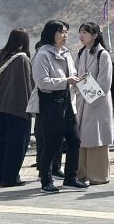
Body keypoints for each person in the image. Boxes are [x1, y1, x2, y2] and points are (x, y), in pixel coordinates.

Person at [28, 21, 85, 193]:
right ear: (51, 34)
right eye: (61, 32)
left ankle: (70, 178)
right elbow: (41, 81)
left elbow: (72, 74)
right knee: (52, 143)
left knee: (75, 139)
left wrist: (77, 79)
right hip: (50, 101)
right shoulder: (42, 54)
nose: (65, 36)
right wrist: (66, 81)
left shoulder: (67, 53)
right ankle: (46, 180)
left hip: (67, 100)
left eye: (67, 32)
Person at [0, 29, 33, 187]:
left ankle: (0, 177)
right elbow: (30, 84)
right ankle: (11, 177)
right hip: (18, 108)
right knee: (17, 145)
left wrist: (0, 89)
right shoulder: (23, 59)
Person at [75, 22, 114, 185]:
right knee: (84, 138)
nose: (81, 35)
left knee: (97, 138)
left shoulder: (103, 55)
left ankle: (98, 175)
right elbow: (77, 75)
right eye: (81, 32)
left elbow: (104, 83)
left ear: (95, 35)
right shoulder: (81, 53)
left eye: (85, 32)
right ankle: (82, 172)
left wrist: (87, 92)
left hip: (97, 103)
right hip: (83, 101)